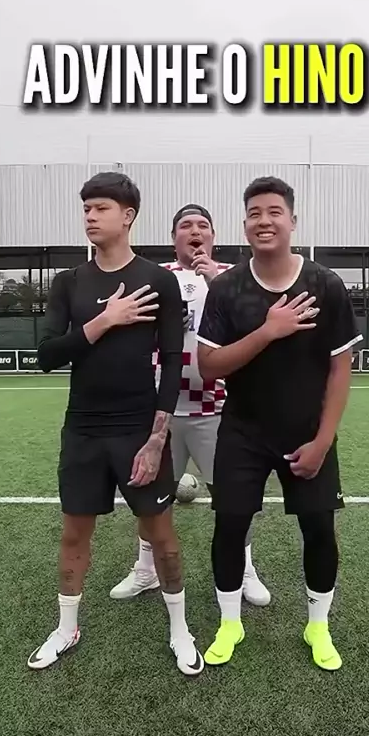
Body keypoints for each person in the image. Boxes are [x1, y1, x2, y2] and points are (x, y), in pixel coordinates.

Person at [27, 171, 204, 677]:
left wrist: (156, 438)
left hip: (137, 429)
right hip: (82, 429)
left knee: (162, 535)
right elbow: (46, 355)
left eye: (100, 207)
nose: (89, 216)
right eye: (86, 207)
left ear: (127, 216)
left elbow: (174, 360)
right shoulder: (69, 282)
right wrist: (105, 320)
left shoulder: (159, 280)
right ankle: (66, 628)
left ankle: (180, 629)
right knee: (73, 534)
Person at [197, 176, 363, 671]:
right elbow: (209, 366)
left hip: (307, 434)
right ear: (244, 223)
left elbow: (340, 369)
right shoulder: (226, 288)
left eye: (274, 212)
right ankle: (230, 623)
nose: (263, 221)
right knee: (230, 527)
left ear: (293, 220)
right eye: (254, 213)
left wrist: (323, 441)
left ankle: (318, 626)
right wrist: (268, 331)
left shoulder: (325, 285)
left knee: (319, 529)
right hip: (243, 432)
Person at [109, 204, 271, 606]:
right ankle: (146, 569)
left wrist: (217, 281)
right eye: (186, 225)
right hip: (159, 412)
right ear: (174, 237)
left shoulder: (234, 277)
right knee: (150, 499)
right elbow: (131, 333)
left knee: (234, 498)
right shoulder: (155, 278)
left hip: (217, 410)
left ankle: (245, 569)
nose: (195, 231)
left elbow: (260, 330)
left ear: (213, 237)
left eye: (202, 226)